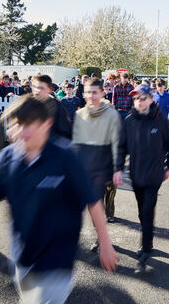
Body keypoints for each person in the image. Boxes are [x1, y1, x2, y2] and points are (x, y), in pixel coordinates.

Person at [0, 95, 118, 303]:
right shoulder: (5, 160)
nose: (18, 132)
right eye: (14, 126)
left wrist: (105, 244)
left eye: (26, 125)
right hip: (23, 258)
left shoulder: (67, 157)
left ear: (46, 124)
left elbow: (93, 202)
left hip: (58, 260)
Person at [117, 83, 169, 273]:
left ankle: (146, 248)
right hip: (135, 174)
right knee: (141, 210)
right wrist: (118, 168)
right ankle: (147, 236)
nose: (139, 102)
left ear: (151, 99)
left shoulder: (161, 120)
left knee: (147, 209)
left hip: (154, 175)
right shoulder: (128, 121)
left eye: (143, 98)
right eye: (136, 98)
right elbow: (121, 147)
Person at [72, 77, 123, 235]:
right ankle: (99, 235)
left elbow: (117, 143)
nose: (91, 96)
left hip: (104, 169)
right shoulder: (79, 115)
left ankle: (101, 238)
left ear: (102, 93)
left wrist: (117, 169)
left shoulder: (112, 115)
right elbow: (75, 144)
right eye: (88, 92)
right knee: (91, 207)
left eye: (94, 92)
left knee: (99, 205)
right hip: (86, 170)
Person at [32, 74, 72, 140]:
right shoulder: (27, 104)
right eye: (35, 87)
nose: (37, 91)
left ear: (49, 90)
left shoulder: (58, 108)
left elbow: (65, 133)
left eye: (41, 88)